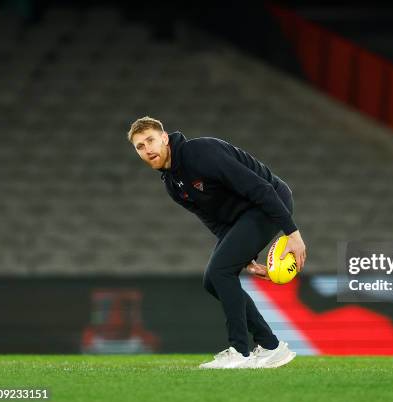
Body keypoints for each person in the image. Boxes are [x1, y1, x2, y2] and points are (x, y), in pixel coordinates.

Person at [127, 116, 306, 369]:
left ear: (164, 138)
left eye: (150, 141)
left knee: (221, 271)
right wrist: (243, 255)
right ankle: (271, 347)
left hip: (268, 202)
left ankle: (240, 352)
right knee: (213, 279)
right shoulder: (172, 183)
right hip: (244, 217)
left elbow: (260, 188)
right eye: (140, 147)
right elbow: (215, 222)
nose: (147, 149)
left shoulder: (200, 153)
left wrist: (293, 233)